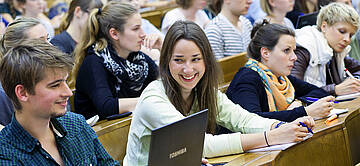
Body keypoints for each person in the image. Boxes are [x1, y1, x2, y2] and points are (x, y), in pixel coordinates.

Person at [124, 21, 315, 165]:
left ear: (206, 60)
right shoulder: (153, 98)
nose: (188, 69)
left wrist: (282, 126)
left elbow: (244, 120)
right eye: (179, 60)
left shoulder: (204, 90)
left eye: (196, 59)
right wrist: (271, 137)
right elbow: (198, 144)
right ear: (166, 61)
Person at [0, 39, 120, 165]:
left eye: (65, 81)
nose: (68, 92)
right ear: (23, 93)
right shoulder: (6, 153)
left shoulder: (76, 123)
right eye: (55, 85)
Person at [226, 22, 333, 122]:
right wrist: (304, 112)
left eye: (294, 51)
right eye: (287, 50)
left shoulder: (281, 77)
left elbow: (319, 93)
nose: (294, 57)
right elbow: (253, 121)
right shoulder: (247, 78)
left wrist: (299, 102)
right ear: (265, 53)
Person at [72, 1, 160, 120]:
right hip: (103, 134)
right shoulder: (94, 61)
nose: (143, 34)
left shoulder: (136, 57)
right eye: (136, 29)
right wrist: (152, 99)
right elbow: (107, 106)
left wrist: (162, 47)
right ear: (114, 34)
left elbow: (164, 85)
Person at [291, 3, 360, 96]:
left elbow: (358, 68)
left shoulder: (336, 49)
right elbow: (293, 90)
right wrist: (334, 90)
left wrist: (355, 81)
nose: (347, 39)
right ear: (324, 26)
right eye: (342, 31)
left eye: (351, 35)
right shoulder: (304, 48)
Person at [0, 17, 48, 126]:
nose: (50, 46)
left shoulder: (48, 77)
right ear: (17, 49)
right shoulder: (3, 94)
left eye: (47, 39)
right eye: (41, 42)